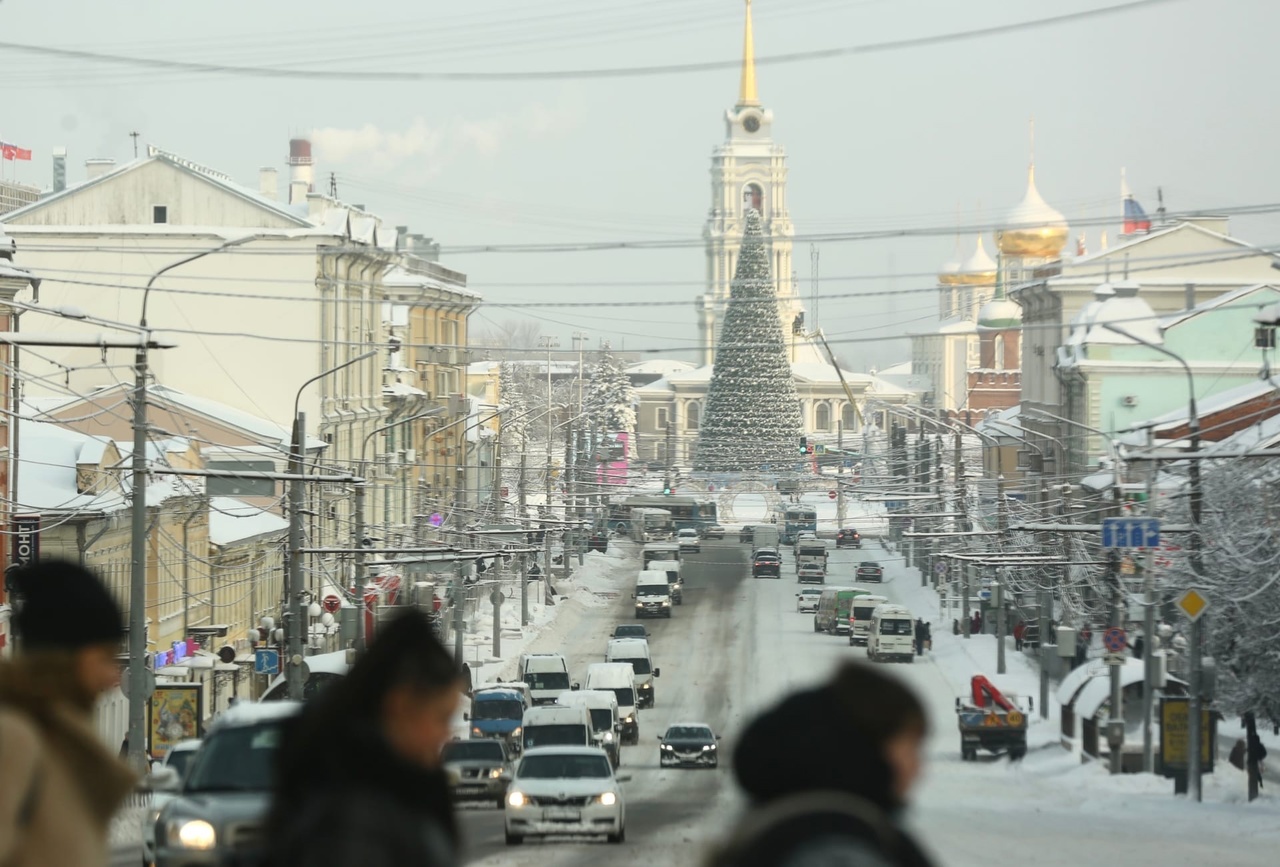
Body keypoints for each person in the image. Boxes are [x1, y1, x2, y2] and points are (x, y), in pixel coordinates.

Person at [264, 610, 463, 867]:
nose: (446, 734)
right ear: (400, 704)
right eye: (441, 718)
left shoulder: (389, 785)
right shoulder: (352, 817)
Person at [709, 663, 936, 867]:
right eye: (911, 747)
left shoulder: (765, 828)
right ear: (867, 746)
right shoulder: (843, 846)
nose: (918, 768)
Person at [0, 561, 137, 867]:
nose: (111, 675)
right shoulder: (16, 736)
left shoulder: (59, 738)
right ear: (70, 658)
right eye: (105, 657)